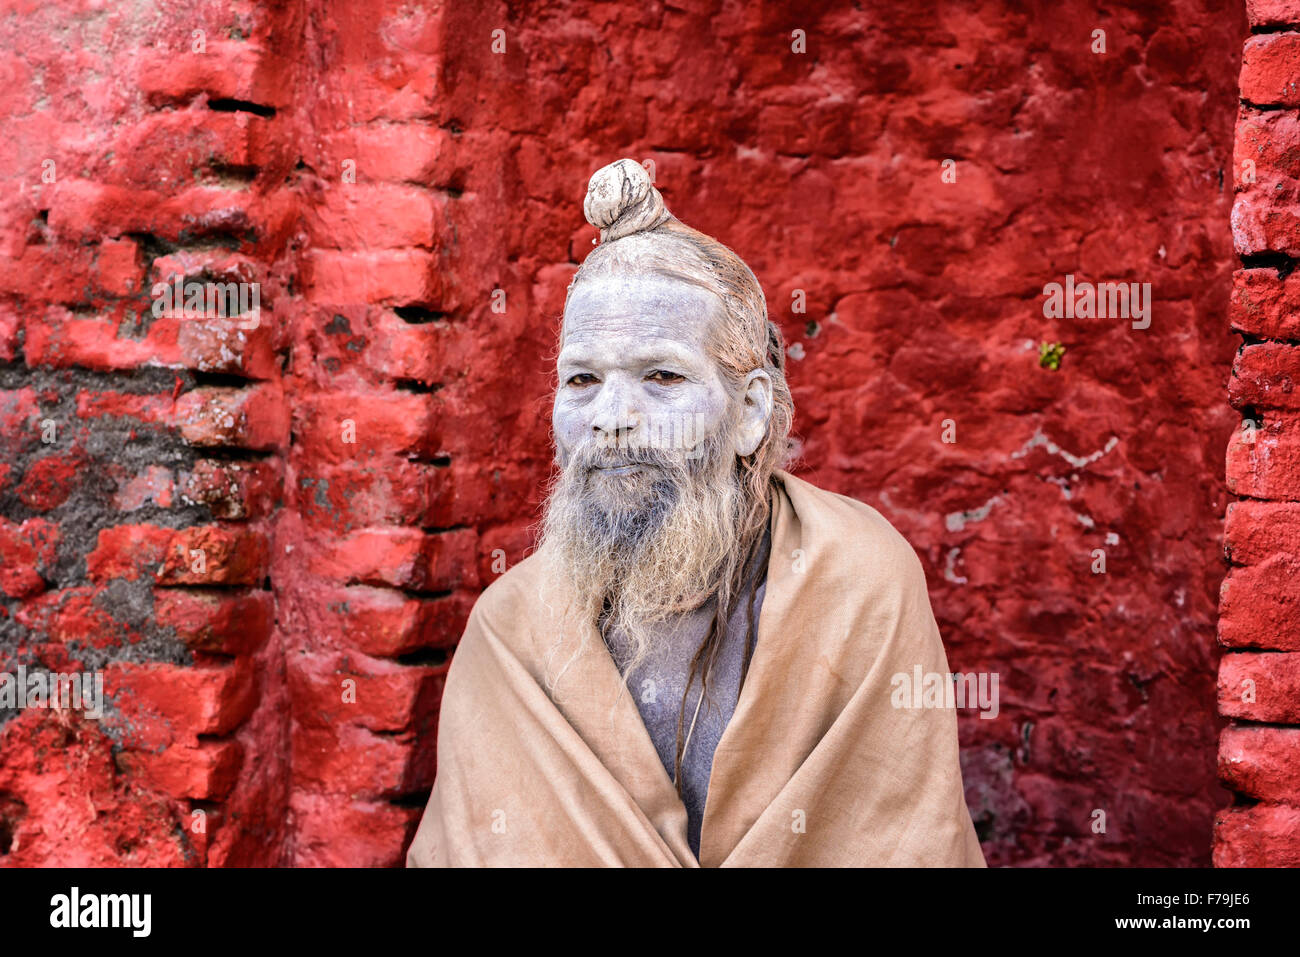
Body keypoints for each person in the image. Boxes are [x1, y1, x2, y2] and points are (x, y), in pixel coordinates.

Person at [406, 158, 986, 867]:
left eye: (662, 376)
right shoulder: (510, 635)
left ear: (750, 412)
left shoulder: (863, 582)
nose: (612, 419)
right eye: (582, 379)